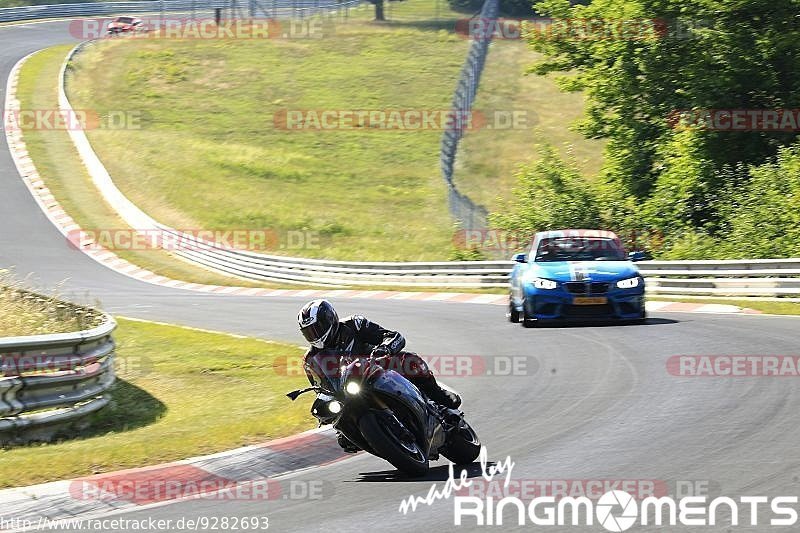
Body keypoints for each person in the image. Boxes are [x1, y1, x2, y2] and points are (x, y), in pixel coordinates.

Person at [297, 299, 462, 453]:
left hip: (378, 370)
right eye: (309, 332)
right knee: (342, 434)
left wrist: (386, 348)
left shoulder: (354, 324)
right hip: (349, 392)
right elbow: (320, 389)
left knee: (409, 361)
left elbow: (392, 336)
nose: (315, 335)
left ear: (329, 320)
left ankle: (437, 394)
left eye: (317, 328)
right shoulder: (310, 360)